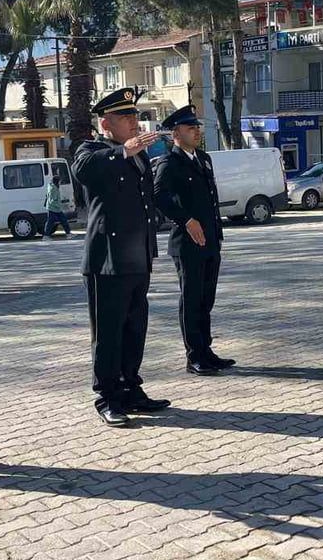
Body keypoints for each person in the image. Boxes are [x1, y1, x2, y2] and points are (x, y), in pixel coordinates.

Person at [72, 87, 170, 428]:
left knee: (134, 329)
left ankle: (131, 387)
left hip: (137, 258)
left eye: (134, 116)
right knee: (108, 333)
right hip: (107, 261)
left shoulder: (139, 155)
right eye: (124, 117)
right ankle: (108, 396)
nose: (133, 122)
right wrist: (123, 153)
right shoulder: (92, 151)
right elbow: (83, 170)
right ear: (105, 124)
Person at [154, 105, 235, 376]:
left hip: (210, 240)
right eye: (191, 128)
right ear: (176, 133)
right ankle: (194, 356)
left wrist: (217, 235)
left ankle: (206, 350)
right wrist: (186, 220)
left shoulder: (203, 158)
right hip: (187, 243)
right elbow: (159, 197)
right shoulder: (170, 162)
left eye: (197, 127)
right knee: (191, 298)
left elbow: (210, 201)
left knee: (206, 298)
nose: (197, 131)